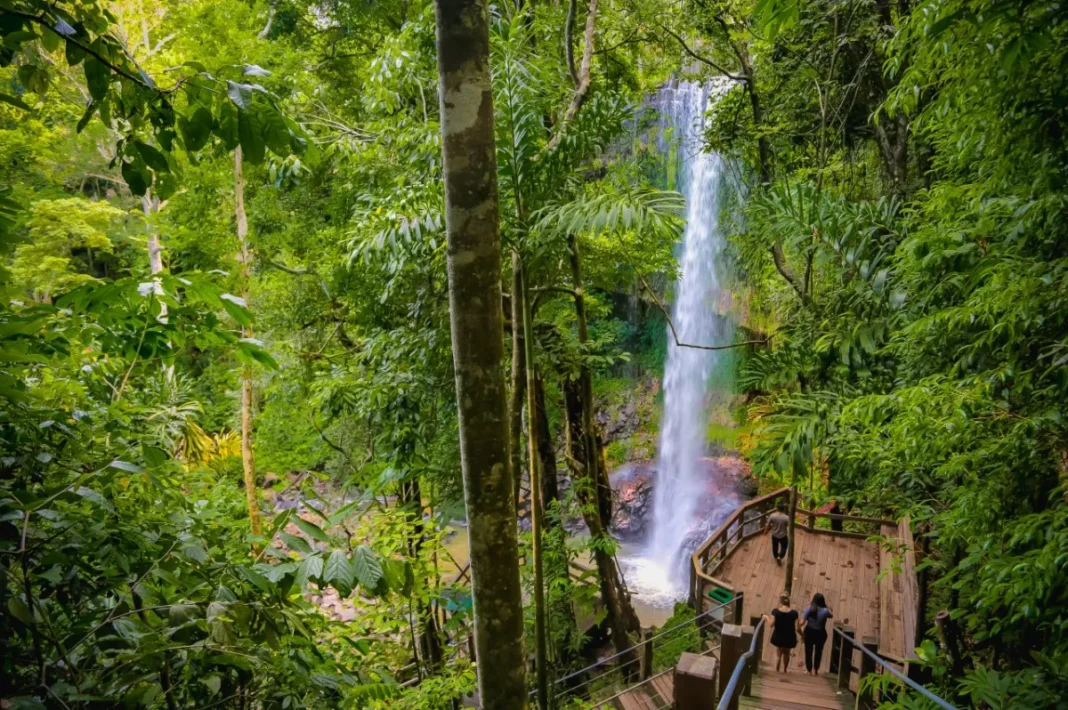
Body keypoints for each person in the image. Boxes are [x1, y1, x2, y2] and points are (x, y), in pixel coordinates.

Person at [799, 592, 834, 675]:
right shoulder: (825, 611)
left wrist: (798, 622)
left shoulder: (809, 609)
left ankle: (809, 670)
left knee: (808, 651)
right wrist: (828, 607)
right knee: (819, 651)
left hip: (809, 632)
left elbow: (802, 623)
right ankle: (816, 670)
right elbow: (831, 615)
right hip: (820, 633)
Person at [764, 592, 799, 673]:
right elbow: (797, 627)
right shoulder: (794, 613)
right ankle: (785, 670)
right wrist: (802, 635)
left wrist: (766, 617)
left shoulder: (775, 611)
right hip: (790, 636)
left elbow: (771, 624)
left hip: (778, 635)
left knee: (778, 653)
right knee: (787, 653)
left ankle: (776, 671)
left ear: (780, 601)